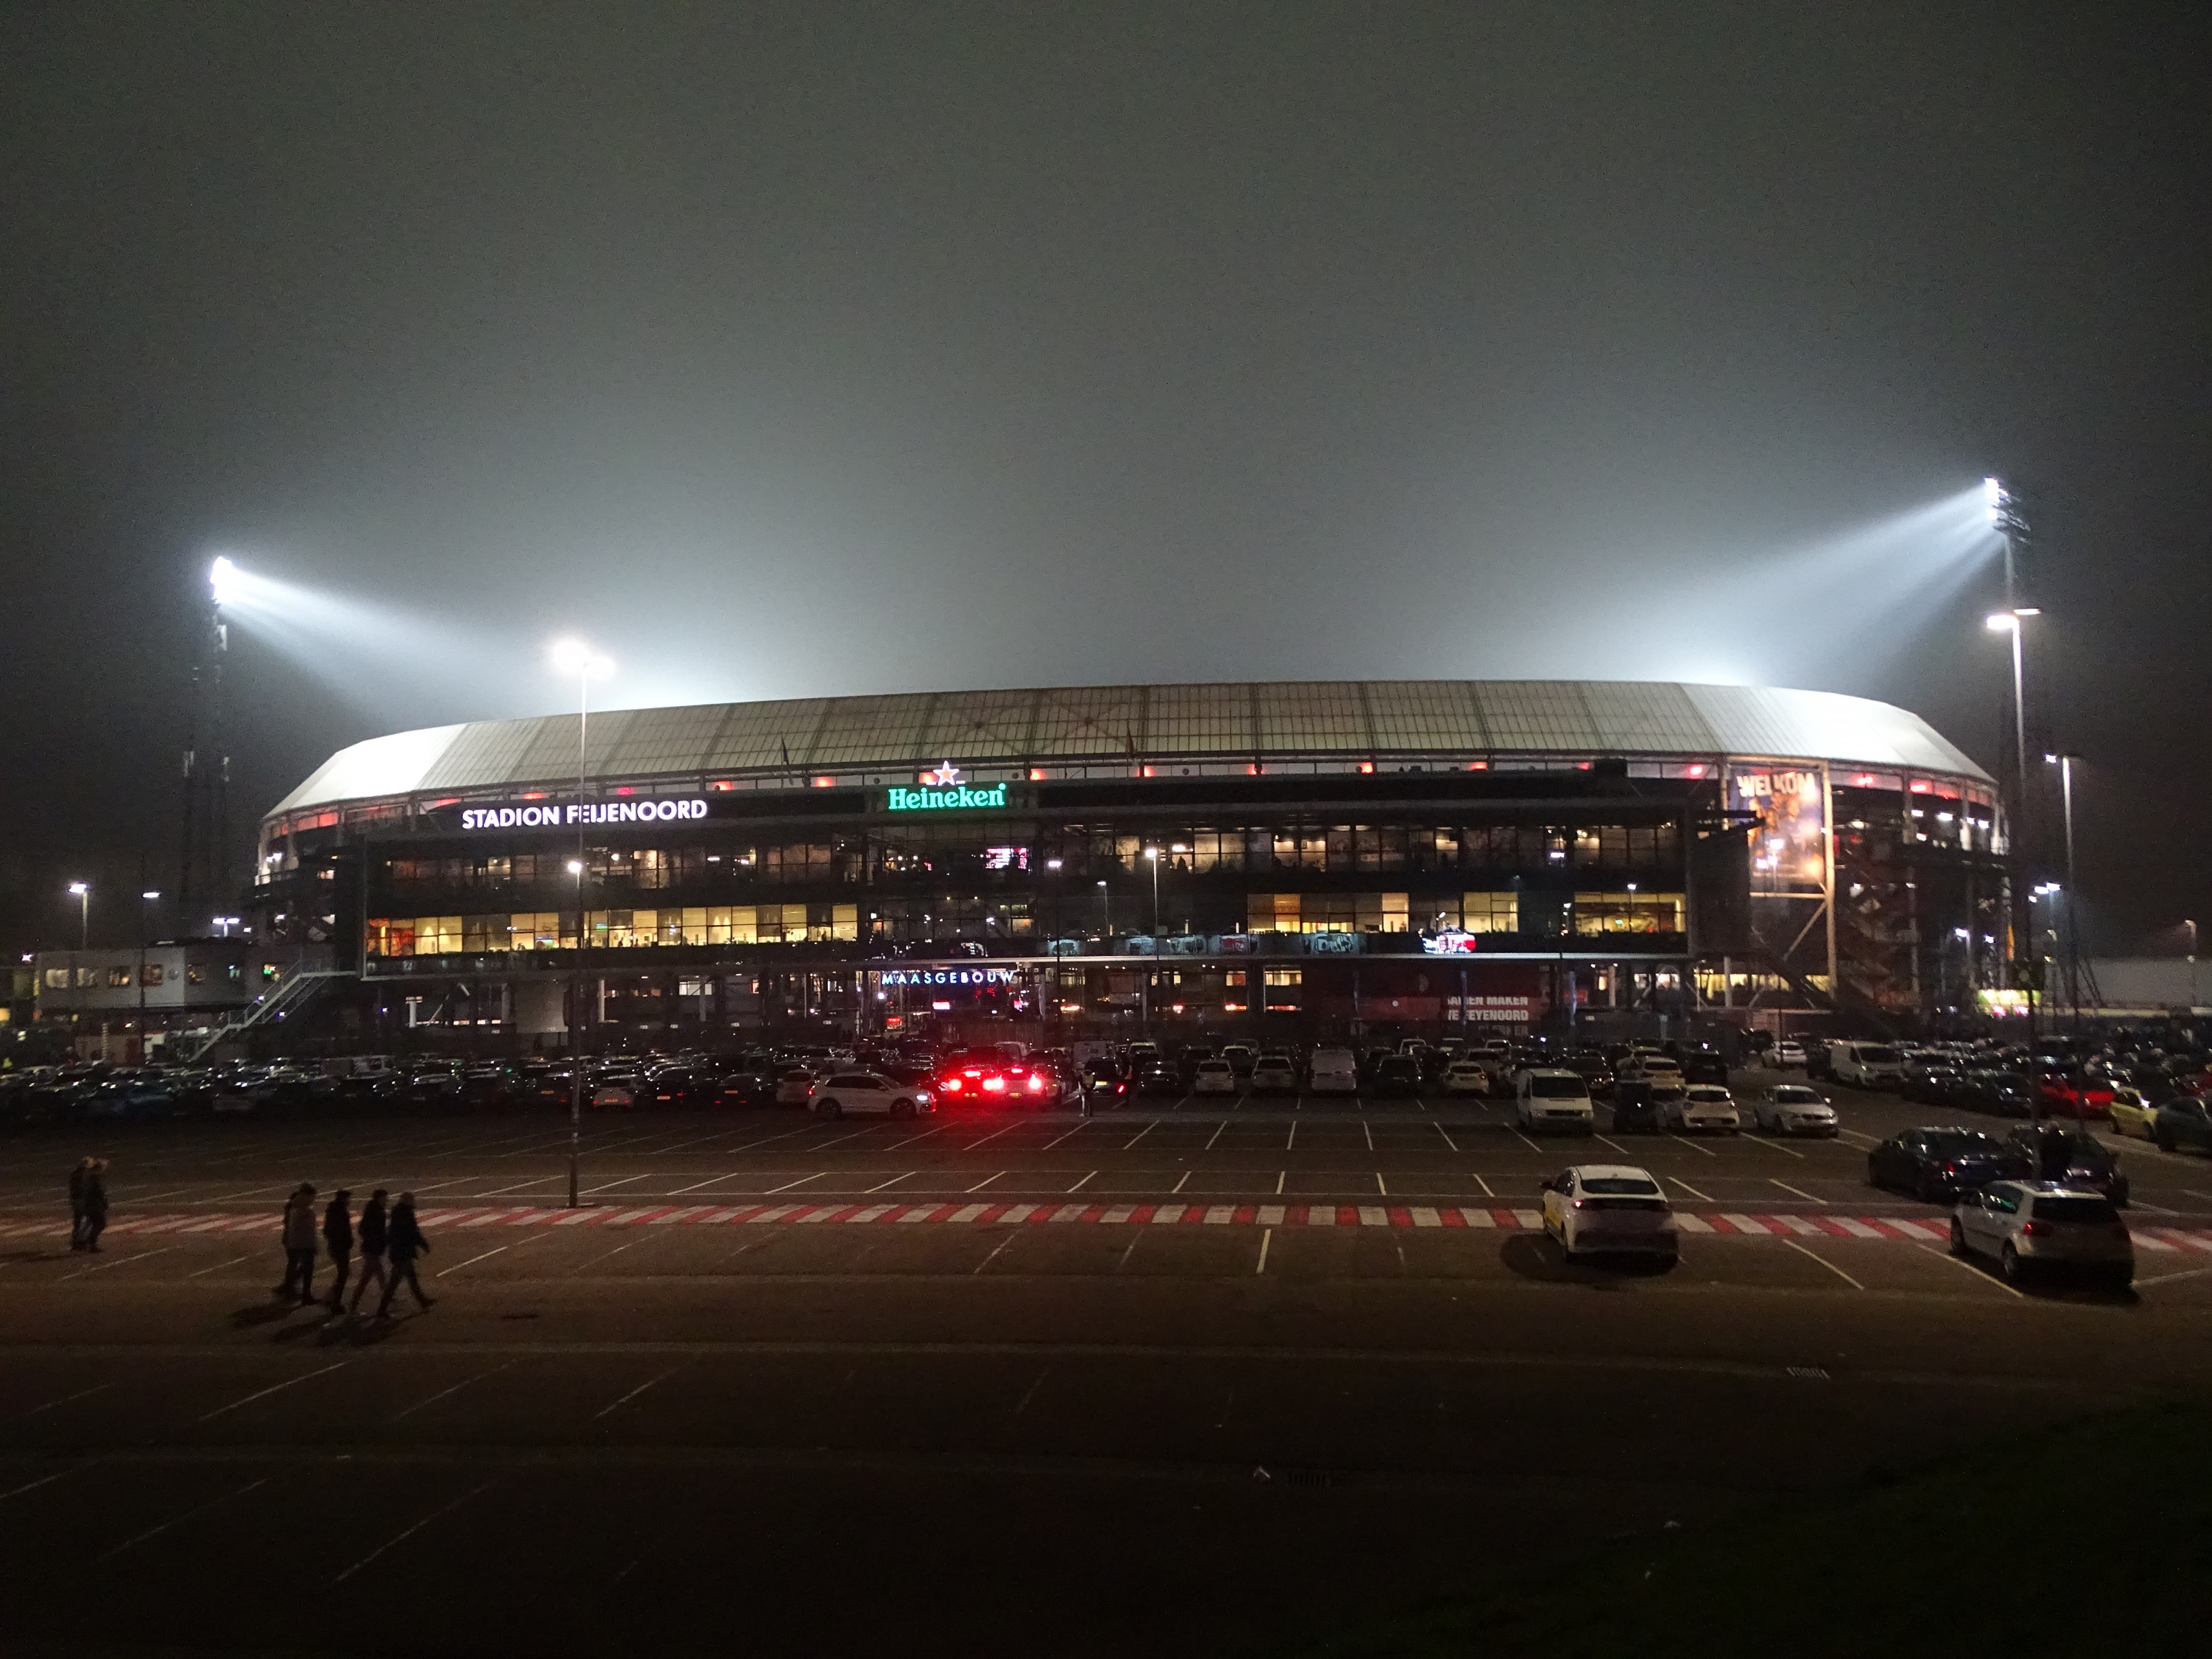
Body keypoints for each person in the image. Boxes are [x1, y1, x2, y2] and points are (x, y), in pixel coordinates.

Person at [374, 1192, 433, 1319]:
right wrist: (424, 1245)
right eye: (412, 1200)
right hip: (402, 1253)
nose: (414, 1202)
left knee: (412, 1278)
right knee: (394, 1283)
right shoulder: (405, 1214)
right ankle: (381, 1311)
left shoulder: (399, 1213)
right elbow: (413, 1232)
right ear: (407, 1201)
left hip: (401, 1252)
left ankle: (423, 1301)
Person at [348, 1189, 390, 1316]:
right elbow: (373, 1230)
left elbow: (363, 1229)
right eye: (385, 1198)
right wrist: (379, 1238)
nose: (387, 1200)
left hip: (371, 1249)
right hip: (372, 1249)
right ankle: (384, 1308)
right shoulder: (377, 1212)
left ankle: (353, 1306)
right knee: (381, 1278)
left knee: (366, 1279)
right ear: (380, 1198)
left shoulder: (373, 1211)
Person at [276, 1184, 319, 1302]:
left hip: (295, 1242)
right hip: (302, 1243)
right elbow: (305, 1229)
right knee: (306, 1268)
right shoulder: (301, 1209)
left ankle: (289, 1287)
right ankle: (296, 1290)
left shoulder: (294, 1205)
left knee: (295, 1265)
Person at [321, 1189, 354, 1313]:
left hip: (338, 1246)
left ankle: (330, 1299)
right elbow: (340, 1230)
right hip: (340, 1247)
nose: (349, 1201)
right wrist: (344, 1241)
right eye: (347, 1198)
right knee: (343, 1274)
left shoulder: (334, 1211)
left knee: (344, 1274)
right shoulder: (339, 1212)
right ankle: (334, 1303)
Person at [79, 1159, 109, 1253]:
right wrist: (104, 1203)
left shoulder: (91, 1177)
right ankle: (90, 1242)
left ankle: (86, 1242)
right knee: (100, 1224)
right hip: (95, 1205)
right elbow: (99, 1193)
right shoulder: (94, 1178)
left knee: (92, 1224)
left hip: (91, 1205)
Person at [67, 1157, 94, 1250]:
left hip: (76, 1200)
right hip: (82, 1200)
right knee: (90, 1220)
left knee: (78, 1223)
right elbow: (84, 1188)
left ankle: (76, 1241)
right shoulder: (85, 1174)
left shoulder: (76, 1173)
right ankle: (81, 1240)